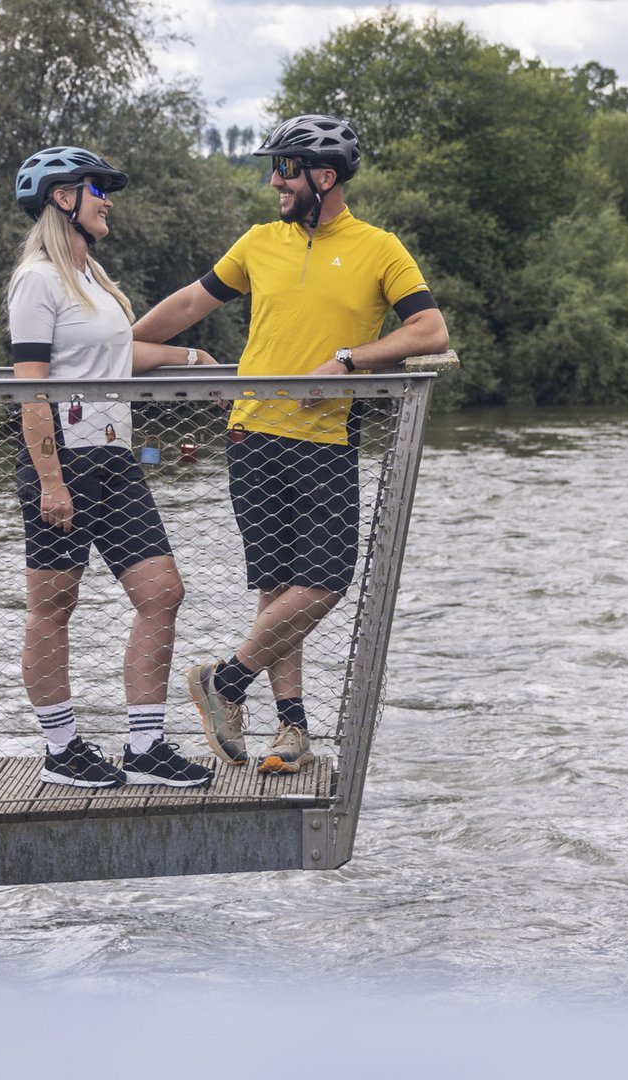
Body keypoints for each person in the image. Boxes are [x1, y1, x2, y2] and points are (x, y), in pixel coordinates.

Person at [132, 114, 449, 775]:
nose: (274, 181)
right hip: (250, 432)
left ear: (323, 178)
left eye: (285, 169)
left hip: (324, 437)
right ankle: (292, 729)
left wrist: (350, 362)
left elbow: (429, 331)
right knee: (278, 590)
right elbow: (190, 305)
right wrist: (123, 345)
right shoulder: (258, 243)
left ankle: (225, 681)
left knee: (325, 580)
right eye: (273, 168)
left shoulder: (378, 248)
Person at [8, 145, 218, 790]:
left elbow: (118, 354)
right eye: (98, 189)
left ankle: (145, 747)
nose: (108, 200)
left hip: (115, 458)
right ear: (63, 198)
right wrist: (50, 480)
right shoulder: (38, 280)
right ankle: (61, 748)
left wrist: (190, 359)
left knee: (162, 594)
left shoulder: (92, 276)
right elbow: (31, 389)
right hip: (62, 461)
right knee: (54, 606)